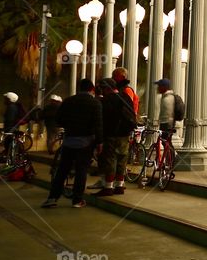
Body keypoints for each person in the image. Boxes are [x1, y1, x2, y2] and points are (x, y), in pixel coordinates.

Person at [42, 79, 101, 208]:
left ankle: (52, 197)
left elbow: (59, 119)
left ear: (79, 88)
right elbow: (98, 124)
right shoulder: (95, 103)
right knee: (81, 170)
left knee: (62, 169)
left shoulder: (68, 101)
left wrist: (69, 126)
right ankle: (77, 199)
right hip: (86, 141)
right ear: (92, 89)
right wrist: (99, 142)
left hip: (69, 140)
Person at [97, 78, 136, 196]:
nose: (102, 91)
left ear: (107, 88)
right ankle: (120, 184)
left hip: (112, 134)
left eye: (103, 88)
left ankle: (108, 186)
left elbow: (103, 119)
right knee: (122, 159)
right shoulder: (126, 97)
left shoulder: (107, 100)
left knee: (110, 159)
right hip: (125, 134)